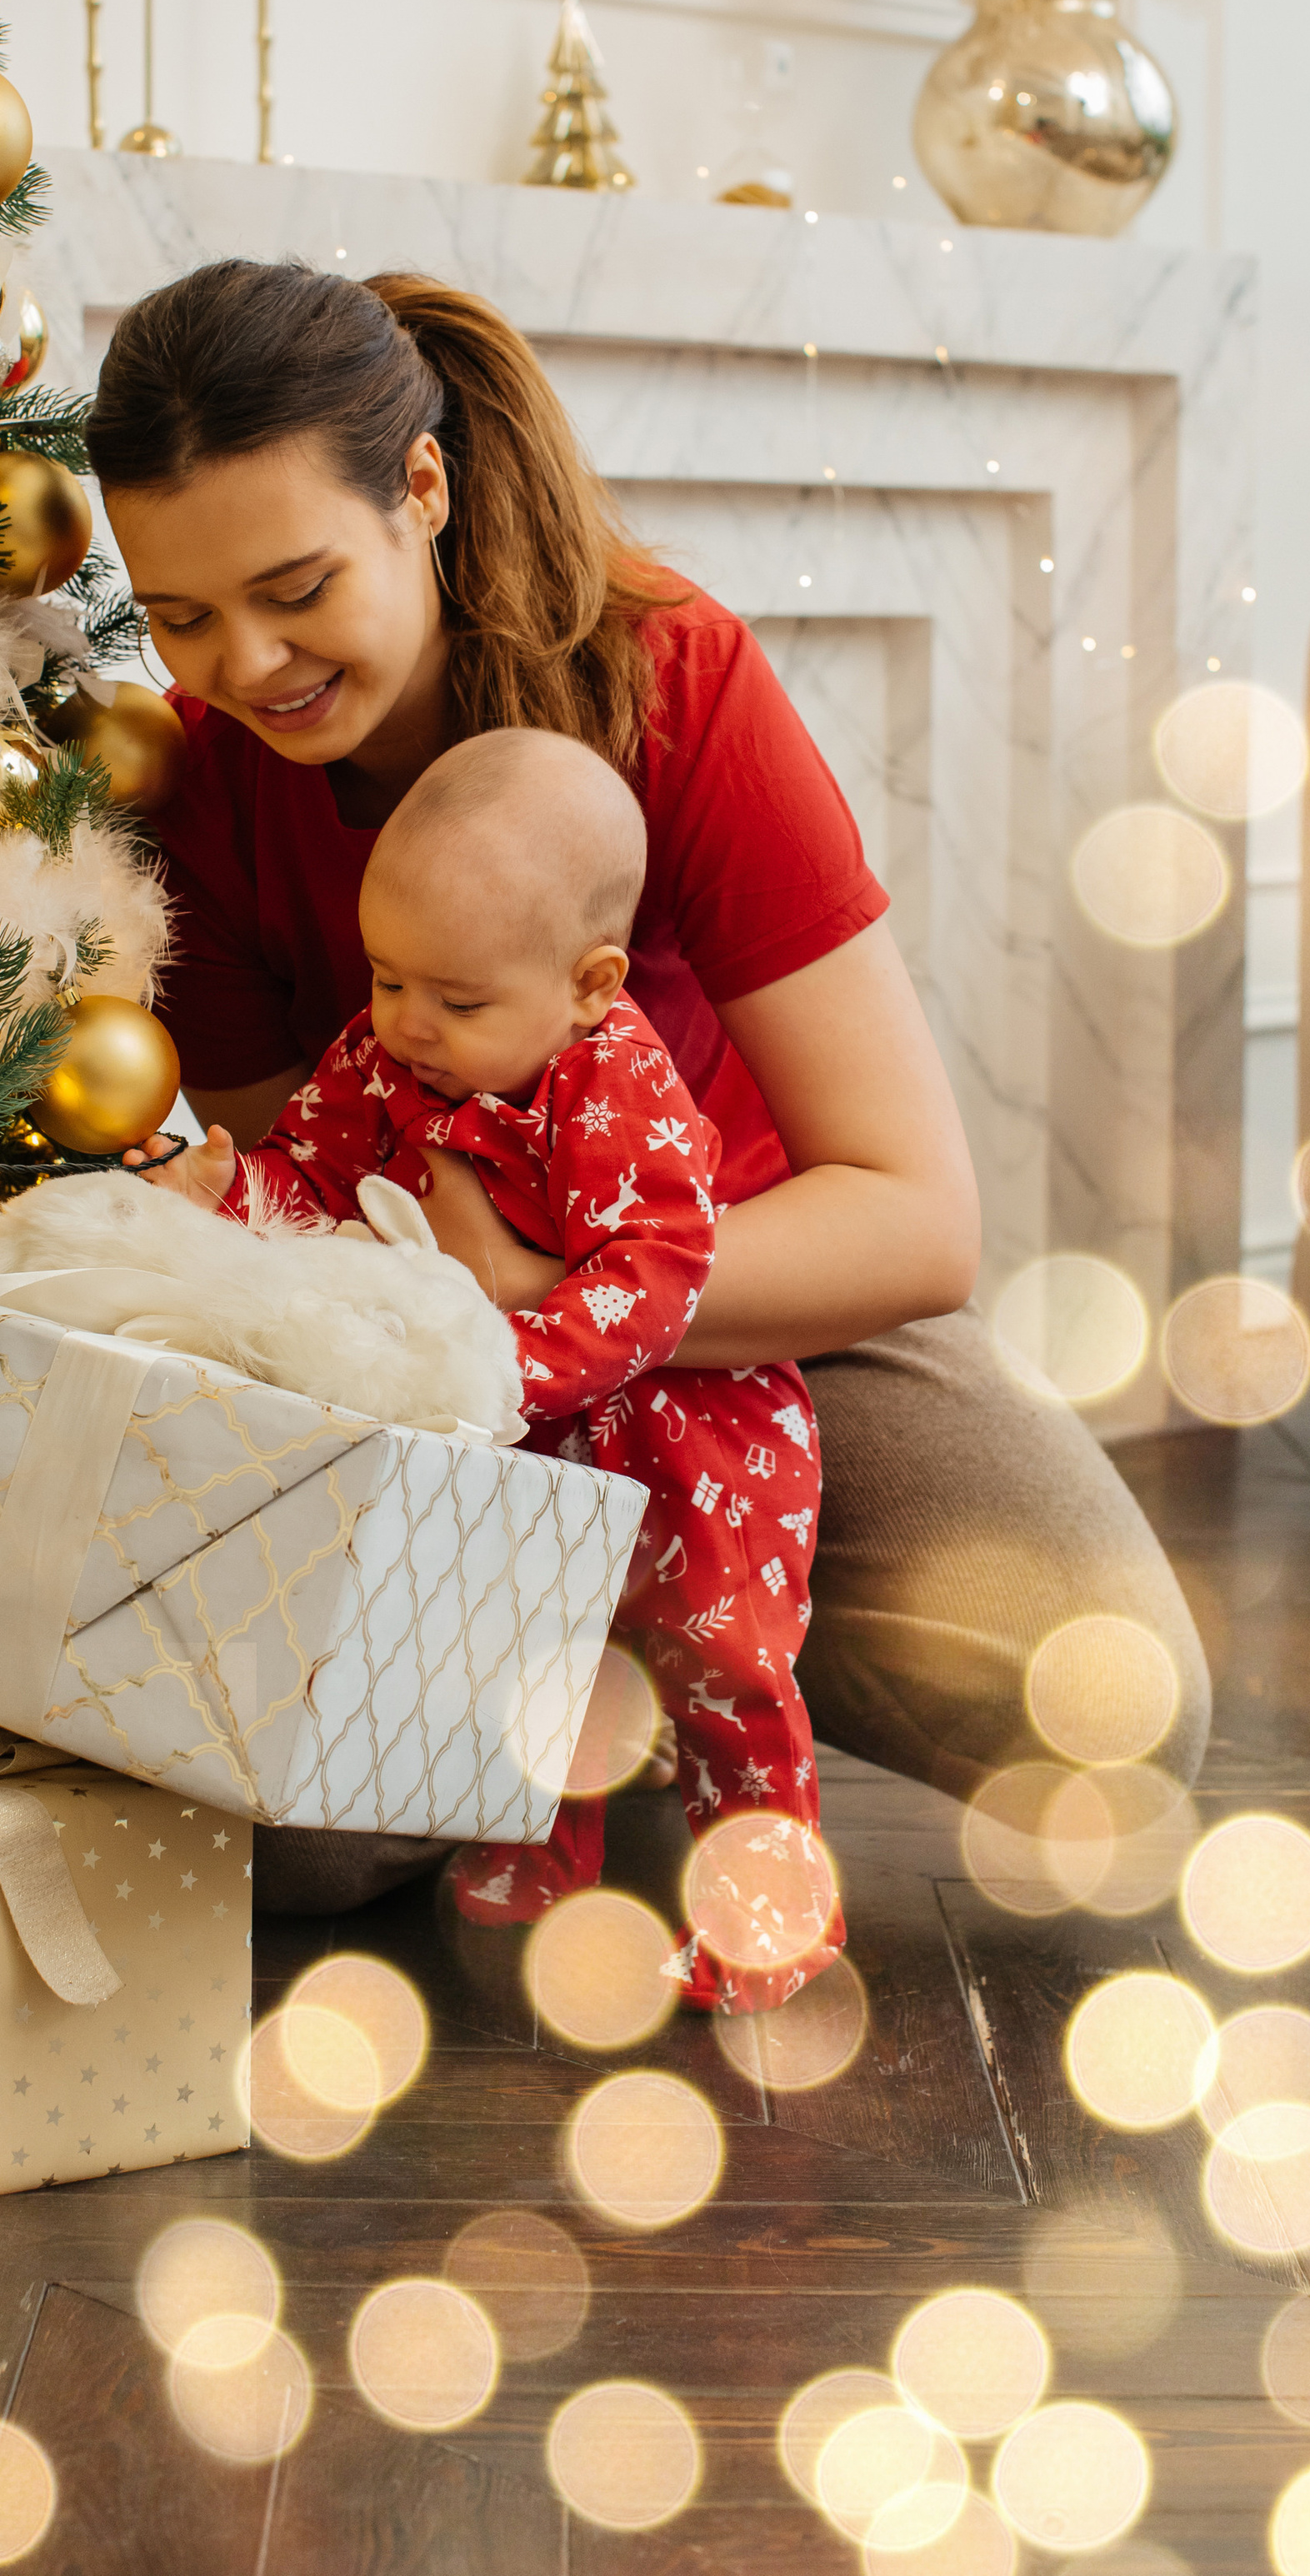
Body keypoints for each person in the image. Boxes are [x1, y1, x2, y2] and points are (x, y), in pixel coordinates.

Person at [86, 257, 1212, 1915]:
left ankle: (691, 1638)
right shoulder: (196, 791)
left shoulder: (674, 681)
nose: (246, 666)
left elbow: (912, 1222)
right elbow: (308, 1209)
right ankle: (593, 1671)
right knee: (294, 1850)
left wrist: (563, 1296)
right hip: (445, 1386)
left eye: (294, 587)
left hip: (759, 1318)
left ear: (421, 489)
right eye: (179, 615)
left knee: (1115, 1710)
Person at [144, 726, 838, 2013]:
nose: (408, 1023)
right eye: (387, 977)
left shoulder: (617, 1080)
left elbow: (657, 1275)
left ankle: (768, 1915)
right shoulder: (383, 1049)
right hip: (525, 1440)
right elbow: (320, 1170)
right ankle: (537, 1873)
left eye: (458, 1003)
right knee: (529, 1654)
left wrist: (498, 1362)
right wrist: (230, 1186)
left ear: (589, 983)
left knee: (724, 1670)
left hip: (697, 1447)